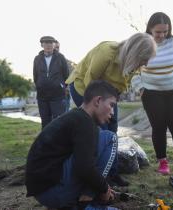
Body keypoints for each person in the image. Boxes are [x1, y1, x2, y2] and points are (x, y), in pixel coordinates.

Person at [65, 32, 156, 186]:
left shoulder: (132, 64)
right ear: (136, 52)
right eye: (144, 59)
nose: (145, 64)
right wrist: (95, 110)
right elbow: (90, 81)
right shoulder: (106, 52)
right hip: (84, 88)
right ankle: (97, 176)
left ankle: (112, 174)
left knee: (112, 130)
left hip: (107, 94)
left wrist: (112, 105)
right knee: (100, 131)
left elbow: (120, 86)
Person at [25, 80, 120, 210]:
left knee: (100, 135)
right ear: (97, 101)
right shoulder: (85, 124)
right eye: (111, 105)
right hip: (54, 192)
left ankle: (82, 198)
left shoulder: (75, 117)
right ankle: (86, 203)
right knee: (110, 138)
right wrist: (103, 188)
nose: (112, 112)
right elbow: (84, 167)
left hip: (43, 191)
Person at [131, 12, 173, 177]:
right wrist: (141, 89)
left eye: (165, 31)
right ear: (150, 28)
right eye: (158, 32)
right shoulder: (142, 44)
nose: (162, 35)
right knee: (158, 127)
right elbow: (133, 69)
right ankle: (162, 162)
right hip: (151, 93)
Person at [33, 36, 69, 129]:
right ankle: (45, 142)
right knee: (45, 121)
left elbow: (66, 75)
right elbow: (35, 76)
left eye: (50, 43)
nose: (48, 45)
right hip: (42, 95)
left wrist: (60, 86)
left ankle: (60, 142)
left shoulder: (61, 57)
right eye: (46, 43)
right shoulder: (37, 59)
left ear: (54, 45)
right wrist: (39, 85)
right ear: (42, 45)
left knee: (59, 120)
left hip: (57, 95)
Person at [54, 40, 72, 112]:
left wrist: (65, 87)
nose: (56, 49)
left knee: (64, 114)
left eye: (58, 47)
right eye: (55, 48)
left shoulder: (62, 59)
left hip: (62, 93)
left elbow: (67, 76)